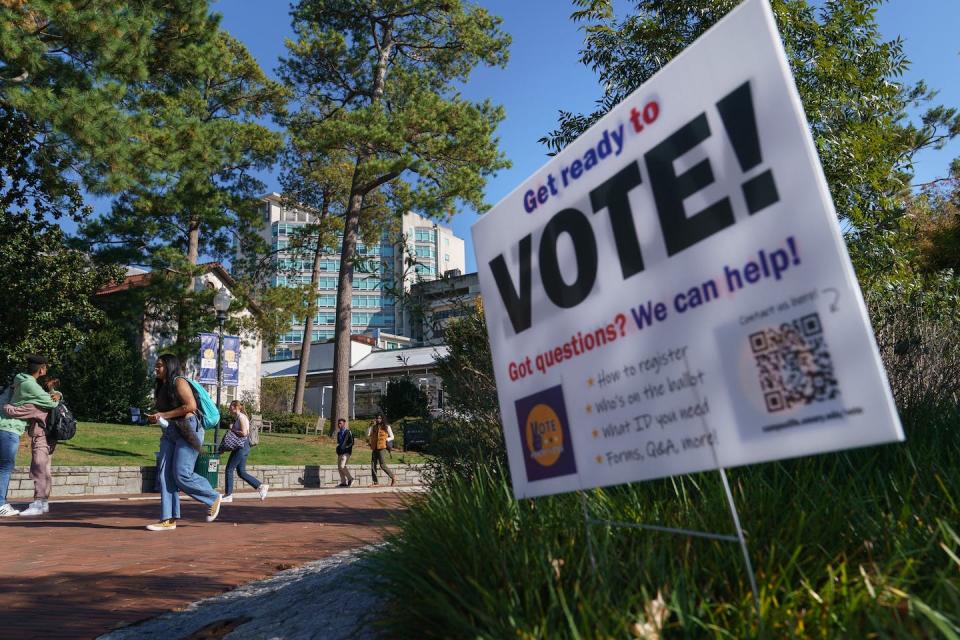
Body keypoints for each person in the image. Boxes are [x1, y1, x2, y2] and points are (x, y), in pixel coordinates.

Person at [145, 353, 222, 531]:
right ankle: (168, 519)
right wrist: (155, 418)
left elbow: (190, 406)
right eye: (156, 366)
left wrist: (162, 415)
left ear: (169, 366)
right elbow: (167, 410)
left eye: (160, 366)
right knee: (164, 474)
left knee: (181, 474)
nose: (156, 368)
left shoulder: (179, 381)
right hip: (170, 430)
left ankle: (212, 497)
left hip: (188, 428)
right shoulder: (161, 386)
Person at [0, 355, 60, 517]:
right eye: (45, 367)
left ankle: (39, 503)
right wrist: (56, 394)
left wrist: (6, 406)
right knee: (41, 467)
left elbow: (16, 409)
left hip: (36, 434)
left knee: (39, 466)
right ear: (41, 369)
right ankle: (40, 502)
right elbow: (52, 402)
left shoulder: (20, 381)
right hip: (35, 432)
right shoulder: (32, 388)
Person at [220, 400, 268, 503]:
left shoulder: (241, 417)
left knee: (229, 469)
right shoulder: (239, 417)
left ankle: (228, 495)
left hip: (242, 446)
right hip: (243, 447)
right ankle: (261, 486)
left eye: (230, 406)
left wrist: (232, 429)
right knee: (241, 472)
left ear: (235, 407)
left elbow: (244, 433)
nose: (229, 408)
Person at [366, 414, 396, 487]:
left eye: (380, 418)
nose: (378, 419)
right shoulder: (374, 427)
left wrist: (386, 439)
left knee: (382, 465)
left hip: (382, 447)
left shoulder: (387, 426)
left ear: (382, 419)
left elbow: (392, 436)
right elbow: (368, 434)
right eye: (377, 418)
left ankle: (393, 477)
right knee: (373, 465)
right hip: (374, 447)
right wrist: (370, 426)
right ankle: (375, 482)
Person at [335, 418, 354, 487]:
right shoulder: (339, 433)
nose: (339, 425)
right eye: (338, 423)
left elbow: (352, 442)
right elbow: (339, 443)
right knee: (339, 467)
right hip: (340, 452)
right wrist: (338, 449)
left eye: (340, 423)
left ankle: (350, 479)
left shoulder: (348, 432)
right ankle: (343, 482)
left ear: (344, 424)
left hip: (346, 452)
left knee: (342, 466)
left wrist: (346, 447)